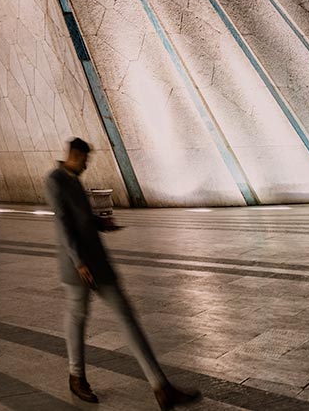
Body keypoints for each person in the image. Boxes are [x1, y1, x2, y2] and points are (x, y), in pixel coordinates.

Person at [45, 137, 200, 407]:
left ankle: (161, 386)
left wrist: (100, 223)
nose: (87, 164)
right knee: (77, 320)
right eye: (85, 159)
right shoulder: (56, 179)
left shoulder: (73, 178)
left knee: (127, 318)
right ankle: (76, 377)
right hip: (77, 267)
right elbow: (63, 222)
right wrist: (78, 261)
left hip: (98, 263)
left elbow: (80, 217)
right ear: (75, 155)